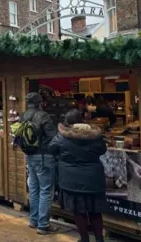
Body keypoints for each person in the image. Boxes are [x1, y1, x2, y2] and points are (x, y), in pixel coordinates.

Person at [49, 110, 107, 242]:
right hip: (94, 179)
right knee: (95, 211)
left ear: (67, 123)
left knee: (78, 212)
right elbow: (103, 150)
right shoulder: (95, 136)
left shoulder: (61, 136)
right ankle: (99, 239)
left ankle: (84, 239)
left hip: (71, 180)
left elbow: (51, 149)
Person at [20, 92, 57, 235]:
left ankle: (33, 220)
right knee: (46, 190)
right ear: (40, 102)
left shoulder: (23, 115)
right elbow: (52, 136)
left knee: (34, 189)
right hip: (44, 156)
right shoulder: (43, 116)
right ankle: (43, 225)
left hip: (30, 156)